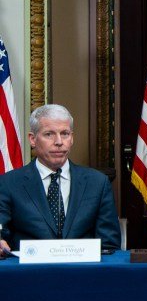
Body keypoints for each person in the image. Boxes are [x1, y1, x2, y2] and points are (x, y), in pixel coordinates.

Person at [0, 104, 120, 253]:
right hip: (31, 266)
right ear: (32, 139)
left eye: (65, 134)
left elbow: (109, 245)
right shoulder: (8, 183)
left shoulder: (98, 183)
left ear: (72, 138)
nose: (59, 141)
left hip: (83, 267)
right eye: (49, 134)